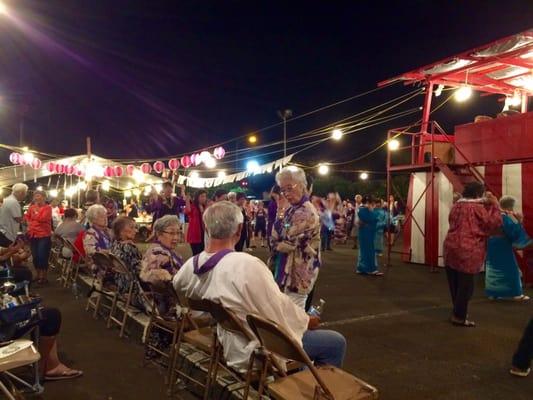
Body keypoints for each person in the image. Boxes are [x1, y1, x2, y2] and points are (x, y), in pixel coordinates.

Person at [173, 201, 346, 372]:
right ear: (240, 229)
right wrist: (305, 320)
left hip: (226, 341)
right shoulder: (246, 265)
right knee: (335, 342)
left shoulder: (190, 266)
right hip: (254, 351)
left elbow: (181, 294)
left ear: (206, 228)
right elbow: (276, 309)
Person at [443, 182, 501, 327]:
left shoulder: (457, 205)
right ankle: (459, 317)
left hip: (451, 247)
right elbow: (492, 223)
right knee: (466, 286)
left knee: (455, 283)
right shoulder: (477, 208)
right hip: (468, 249)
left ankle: (457, 311)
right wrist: (495, 205)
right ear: (477, 194)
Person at [269, 167, 321, 308]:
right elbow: (274, 236)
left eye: (289, 188)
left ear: (303, 186)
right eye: (283, 190)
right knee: (284, 316)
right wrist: (280, 212)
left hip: (298, 274)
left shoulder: (306, 210)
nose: (286, 194)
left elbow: (288, 242)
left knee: (292, 321)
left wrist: (278, 240)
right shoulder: (291, 208)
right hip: (286, 271)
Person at [485, 196, 532, 301]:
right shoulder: (506, 217)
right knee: (511, 269)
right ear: (511, 206)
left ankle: (494, 293)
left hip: (491, 244)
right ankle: (516, 294)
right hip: (503, 245)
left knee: (493, 268)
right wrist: (519, 221)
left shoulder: (492, 214)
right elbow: (514, 232)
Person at [110, 216, 144, 309]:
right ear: (121, 231)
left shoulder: (115, 244)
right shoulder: (129, 248)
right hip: (131, 288)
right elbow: (141, 271)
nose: (136, 231)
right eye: (132, 227)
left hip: (119, 283)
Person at [140, 215, 183, 287]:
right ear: (159, 234)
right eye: (171, 233)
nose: (176, 237)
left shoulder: (166, 250)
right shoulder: (159, 252)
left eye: (178, 233)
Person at [25, 190, 53, 284]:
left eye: (39, 196)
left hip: (44, 235)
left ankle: (43, 276)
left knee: (43, 256)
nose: (37, 198)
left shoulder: (48, 208)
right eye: (36, 196)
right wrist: (30, 221)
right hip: (33, 234)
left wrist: (34, 216)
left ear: (44, 197)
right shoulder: (32, 207)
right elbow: (27, 217)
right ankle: (38, 275)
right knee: (35, 256)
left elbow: (43, 218)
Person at [356, 195, 383, 276]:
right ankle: (371, 269)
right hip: (367, 233)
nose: (374, 204)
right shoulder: (364, 210)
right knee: (370, 250)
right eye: (373, 203)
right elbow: (374, 218)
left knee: (363, 250)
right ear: (368, 202)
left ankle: (361, 268)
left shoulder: (361, 209)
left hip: (364, 232)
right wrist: (372, 211)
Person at [83, 204, 112, 273]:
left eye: (106, 216)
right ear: (93, 219)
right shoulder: (91, 233)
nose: (106, 219)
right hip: (100, 266)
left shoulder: (106, 231)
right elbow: (90, 251)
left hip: (109, 262)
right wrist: (107, 252)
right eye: (102, 217)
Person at [185, 190, 207, 255]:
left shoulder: (205, 206)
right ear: (197, 197)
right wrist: (187, 200)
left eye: (205, 196)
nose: (204, 198)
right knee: (196, 253)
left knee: (203, 253)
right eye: (202, 196)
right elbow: (188, 211)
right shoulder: (193, 206)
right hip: (194, 234)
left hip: (203, 233)